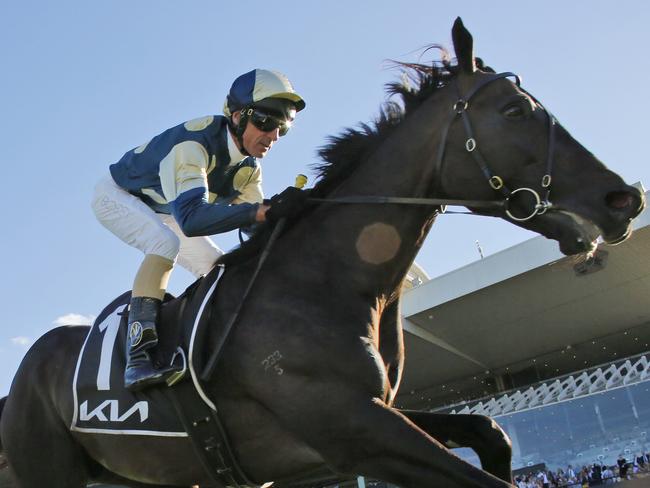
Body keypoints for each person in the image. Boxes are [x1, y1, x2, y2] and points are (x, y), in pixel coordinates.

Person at [92, 69, 307, 391]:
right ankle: (137, 360)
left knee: (216, 266)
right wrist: (263, 213)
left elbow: (254, 227)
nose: (273, 135)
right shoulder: (194, 146)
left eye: (283, 126)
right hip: (117, 195)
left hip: (166, 208)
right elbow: (193, 220)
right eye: (266, 121)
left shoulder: (248, 170)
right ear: (237, 116)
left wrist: (290, 215)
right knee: (164, 244)